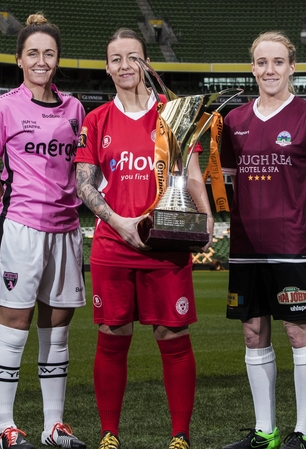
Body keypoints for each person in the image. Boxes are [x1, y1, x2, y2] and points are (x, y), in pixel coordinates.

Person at [74, 28, 213, 449]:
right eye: (115, 59)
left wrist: (206, 218)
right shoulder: (95, 120)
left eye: (132, 58)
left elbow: (190, 175)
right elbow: (84, 185)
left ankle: (180, 435)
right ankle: (109, 433)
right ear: (107, 67)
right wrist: (120, 222)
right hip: (113, 245)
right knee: (113, 335)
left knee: (172, 336)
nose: (124, 66)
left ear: (146, 64)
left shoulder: (176, 115)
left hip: (166, 243)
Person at [220, 31, 306, 449]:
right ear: (252, 67)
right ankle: (265, 431)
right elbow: (228, 184)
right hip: (246, 248)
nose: (269, 70)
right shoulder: (233, 121)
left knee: (297, 332)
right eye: (261, 62)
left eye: (277, 62)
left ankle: (303, 433)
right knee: (253, 332)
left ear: (292, 67)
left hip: (293, 245)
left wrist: (304, 238)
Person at [0, 13, 86, 449]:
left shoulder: (75, 108)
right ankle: (5, 428)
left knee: (57, 329)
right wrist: (9, 205)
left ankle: (53, 426)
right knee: (14, 326)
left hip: (67, 229)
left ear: (57, 60)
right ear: (19, 59)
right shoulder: (2, 108)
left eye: (49, 53)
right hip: (20, 229)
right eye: (33, 53)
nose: (41, 60)